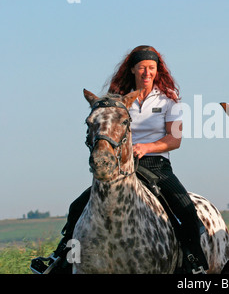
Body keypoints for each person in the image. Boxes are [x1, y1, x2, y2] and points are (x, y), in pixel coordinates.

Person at [31, 45, 208, 274]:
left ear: (158, 70)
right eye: (142, 67)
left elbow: (175, 140)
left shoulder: (168, 102)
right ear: (133, 69)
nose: (147, 73)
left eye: (151, 68)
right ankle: (59, 258)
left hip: (156, 165)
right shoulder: (118, 102)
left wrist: (148, 146)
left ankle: (195, 262)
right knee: (77, 207)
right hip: (121, 165)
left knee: (185, 208)